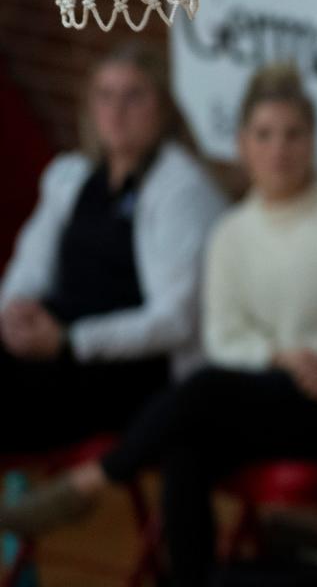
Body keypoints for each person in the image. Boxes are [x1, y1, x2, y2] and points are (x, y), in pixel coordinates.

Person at [0, 64, 317, 587]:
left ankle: (92, 483)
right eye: (263, 135)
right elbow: (225, 337)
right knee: (188, 447)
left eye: (292, 134)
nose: (279, 149)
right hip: (267, 397)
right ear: (241, 146)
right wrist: (277, 359)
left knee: (202, 394)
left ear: (313, 141)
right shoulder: (235, 233)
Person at [0, 42, 226, 452]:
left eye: (133, 96)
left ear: (164, 107)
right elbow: (30, 267)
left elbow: (174, 320)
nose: (116, 111)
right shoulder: (71, 177)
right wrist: (14, 312)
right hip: (60, 342)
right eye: (105, 95)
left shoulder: (182, 190)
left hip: (132, 369)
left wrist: (71, 342)